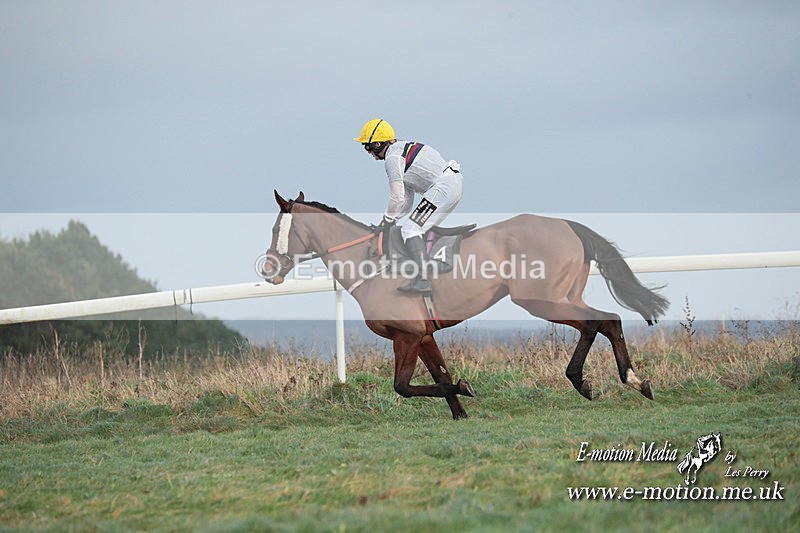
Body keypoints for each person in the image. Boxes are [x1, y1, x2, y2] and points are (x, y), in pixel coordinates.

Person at [354, 118, 463, 293]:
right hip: (449, 185)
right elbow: (406, 200)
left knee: (411, 230)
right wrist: (390, 220)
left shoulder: (392, 159)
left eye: (367, 147)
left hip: (443, 188)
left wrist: (387, 220)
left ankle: (424, 279)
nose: (367, 152)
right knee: (413, 226)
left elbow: (396, 197)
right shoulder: (399, 152)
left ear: (377, 144)